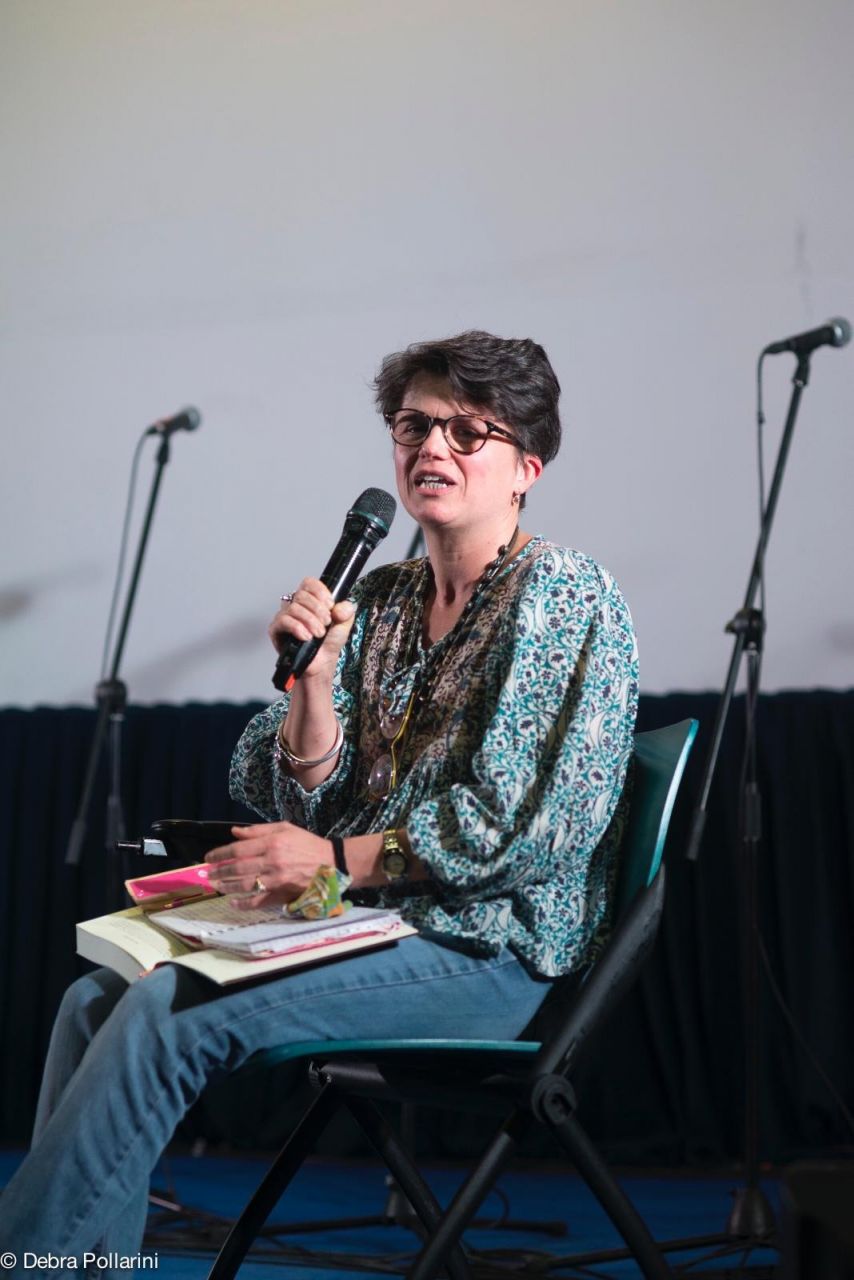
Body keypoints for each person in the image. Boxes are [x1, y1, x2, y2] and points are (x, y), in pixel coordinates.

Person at [0, 330, 638, 1276]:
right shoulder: (380, 597)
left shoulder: (566, 595)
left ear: (526, 470)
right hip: (365, 924)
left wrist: (336, 863)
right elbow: (301, 797)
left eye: (468, 433)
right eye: (414, 426)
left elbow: (523, 830)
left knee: (169, 1006)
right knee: (93, 1002)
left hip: (486, 951)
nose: (432, 448)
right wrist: (315, 684)